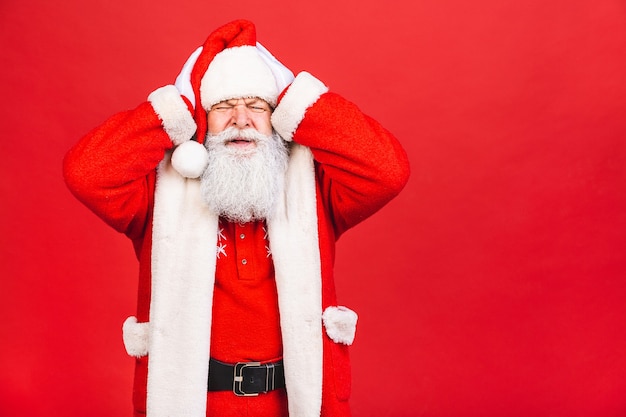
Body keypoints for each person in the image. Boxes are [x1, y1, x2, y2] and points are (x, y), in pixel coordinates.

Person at [63, 19, 410, 417]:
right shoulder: (158, 195)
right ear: (200, 122)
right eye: (223, 107)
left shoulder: (314, 191)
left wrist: (295, 97)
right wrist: (176, 107)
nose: (241, 119)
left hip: (295, 403)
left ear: (279, 120)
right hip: (190, 405)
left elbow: (388, 170)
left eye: (257, 106)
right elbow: (86, 172)